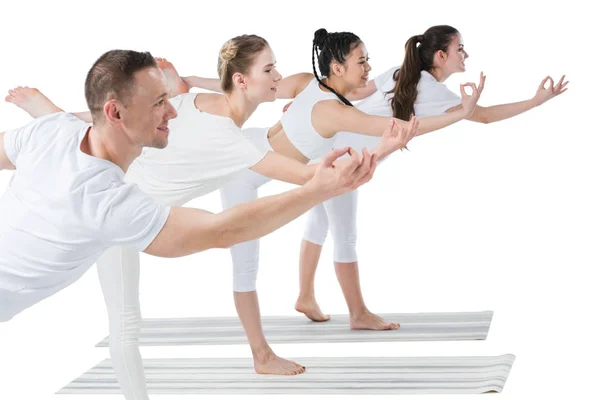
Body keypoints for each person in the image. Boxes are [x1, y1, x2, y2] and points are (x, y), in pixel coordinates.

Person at [3, 38, 414, 400]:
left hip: (107, 180)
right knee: (126, 322)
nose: (171, 112)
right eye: (158, 103)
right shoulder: (109, 202)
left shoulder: (50, 132)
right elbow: (221, 230)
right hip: (121, 210)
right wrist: (319, 188)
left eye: (167, 99)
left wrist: (352, 167)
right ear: (114, 111)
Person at [181, 28, 483, 334]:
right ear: (338, 68)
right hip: (242, 173)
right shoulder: (334, 111)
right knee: (245, 267)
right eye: (361, 62)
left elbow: (239, 86)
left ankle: (311, 301)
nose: (368, 69)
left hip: (252, 148)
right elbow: (401, 128)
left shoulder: (306, 83)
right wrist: (461, 114)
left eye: (367, 61)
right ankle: (266, 352)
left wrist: (192, 82)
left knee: (312, 225)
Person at [296, 25, 569, 322]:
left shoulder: (398, 72)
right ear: (441, 55)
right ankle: (358, 313)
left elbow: (350, 90)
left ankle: (306, 297)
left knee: (319, 223)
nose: (465, 54)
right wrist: (535, 101)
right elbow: (486, 116)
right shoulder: (433, 90)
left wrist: (309, 105)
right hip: (346, 162)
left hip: (332, 149)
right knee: (344, 235)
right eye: (459, 49)